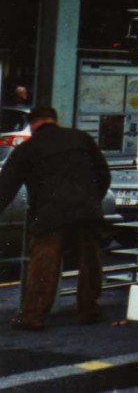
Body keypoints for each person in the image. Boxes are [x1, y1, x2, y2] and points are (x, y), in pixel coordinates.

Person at [0, 106, 111, 330]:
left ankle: (33, 315)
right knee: (89, 260)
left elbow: (6, 188)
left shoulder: (28, 148)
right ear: (55, 120)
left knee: (44, 263)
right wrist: (91, 199)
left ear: (32, 125)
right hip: (86, 210)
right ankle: (89, 309)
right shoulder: (82, 138)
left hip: (50, 213)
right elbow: (104, 174)